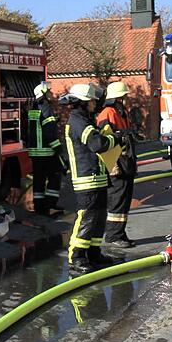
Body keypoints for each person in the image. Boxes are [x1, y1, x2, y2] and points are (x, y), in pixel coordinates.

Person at [61, 83, 118, 274]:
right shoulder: (78, 122)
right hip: (87, 179)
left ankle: (93, 253)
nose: (95, 103)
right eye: (92, 100)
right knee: (86, 218)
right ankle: (76, 258)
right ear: (84, 102)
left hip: (97, 177)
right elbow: (97, 144)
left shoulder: (85, 119)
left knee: (99, 217)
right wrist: (116, 139)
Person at [97, 81, 137, 248]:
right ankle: (113, 236)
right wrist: (113, 166)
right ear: (118, 98)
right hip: (116, 164)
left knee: (124, 200)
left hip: (125, 162)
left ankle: (120, 233)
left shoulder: (120, 112)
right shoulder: (108, 113)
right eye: (124, 97)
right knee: (117, 200)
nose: (126, 99)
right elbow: (105, 143)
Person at [26, 82, 64, 218]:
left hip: (35, 153)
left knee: (39, 179)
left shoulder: (33, 108)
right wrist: (58, 148)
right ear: (43, 94)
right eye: (48, 91)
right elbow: (49, 132)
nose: (51, 93)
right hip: (47, 151)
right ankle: (50, 204)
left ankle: (39, 206)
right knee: (55, 176)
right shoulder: (46, 108)